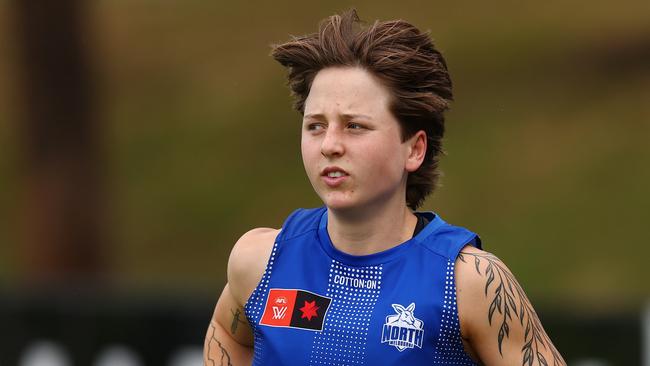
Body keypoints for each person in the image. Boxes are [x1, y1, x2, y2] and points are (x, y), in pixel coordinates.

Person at [204, 9, 565, 366]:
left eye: (354, 126)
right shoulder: (259, 259)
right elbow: (227, 332)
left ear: (414, 149)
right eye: (315, 125)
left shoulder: (469, 282)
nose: (329, 144)